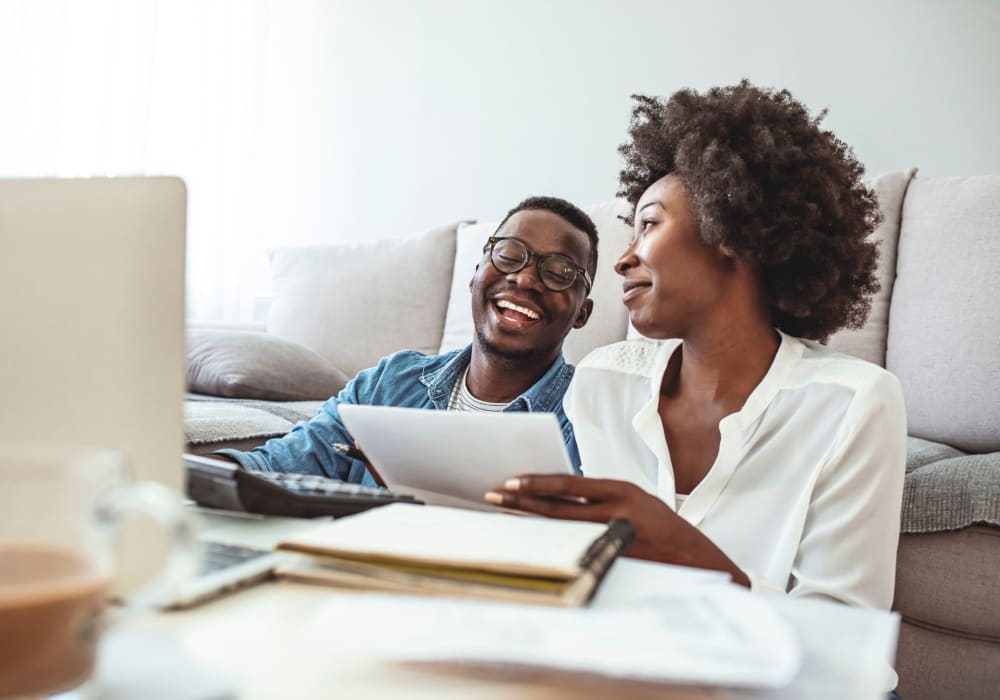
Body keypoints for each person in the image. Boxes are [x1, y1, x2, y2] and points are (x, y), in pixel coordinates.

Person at [486, 82, 907, 610]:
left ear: (728, 229)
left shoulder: (853, 401)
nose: (623, 259)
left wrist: (685, 549)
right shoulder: (603, 382)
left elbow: (845, 645)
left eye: (648, 225)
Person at [212, 196, 598, 487]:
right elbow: (277, 465)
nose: (526, 279)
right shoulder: (390, 382)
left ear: (582, 312)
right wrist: (177, 475)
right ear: (476, 272)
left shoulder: (591, 412)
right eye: (510, 254)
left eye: (560, 271)